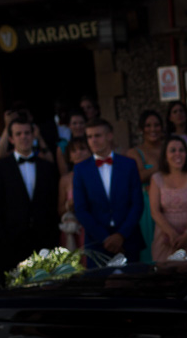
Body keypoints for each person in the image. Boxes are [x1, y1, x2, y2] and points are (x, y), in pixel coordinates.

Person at [0, 117, 60, 282]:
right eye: (19, 134)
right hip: (12, 239)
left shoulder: (47, 167)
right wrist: (1, 239)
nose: (24, 137)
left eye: (27, 133)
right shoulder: (0, 168)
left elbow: (51, 204)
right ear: (11, 138)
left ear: (33, 135)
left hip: (43, 238)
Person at [72, 118, 144, 262]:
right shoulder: (81, 169)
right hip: (97, 244)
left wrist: (121, 235)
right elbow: (81, 209)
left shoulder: (128, 164)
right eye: (89, 137)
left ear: (109, 136)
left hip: (128, 240)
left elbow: (137, 204)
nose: (93, 140)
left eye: (97, 135)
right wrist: (105, 238)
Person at [149, 136, 187, 262]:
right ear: (165, 155)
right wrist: (172, 234)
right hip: (166, 236)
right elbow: (155, 211)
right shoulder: (157, 178)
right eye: (173, 150)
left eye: (181, 150)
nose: (178, 154)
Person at [126, 109, 166, 263]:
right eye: (148, 126)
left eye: (156, 125)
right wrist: (162, 166)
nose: (153, 129)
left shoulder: (169, 147)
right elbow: (138, 177)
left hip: (170, 201)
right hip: (147, 204)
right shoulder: (134, 152)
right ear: (141, 129)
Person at [57, 136, 91, 250]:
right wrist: (69, 205)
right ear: (69, 156)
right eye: (74, 150)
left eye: (82, 149)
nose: (79, 153)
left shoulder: (96, 175)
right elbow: (59, 210)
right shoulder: (65, 180)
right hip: (73, 230)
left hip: (93, 227)